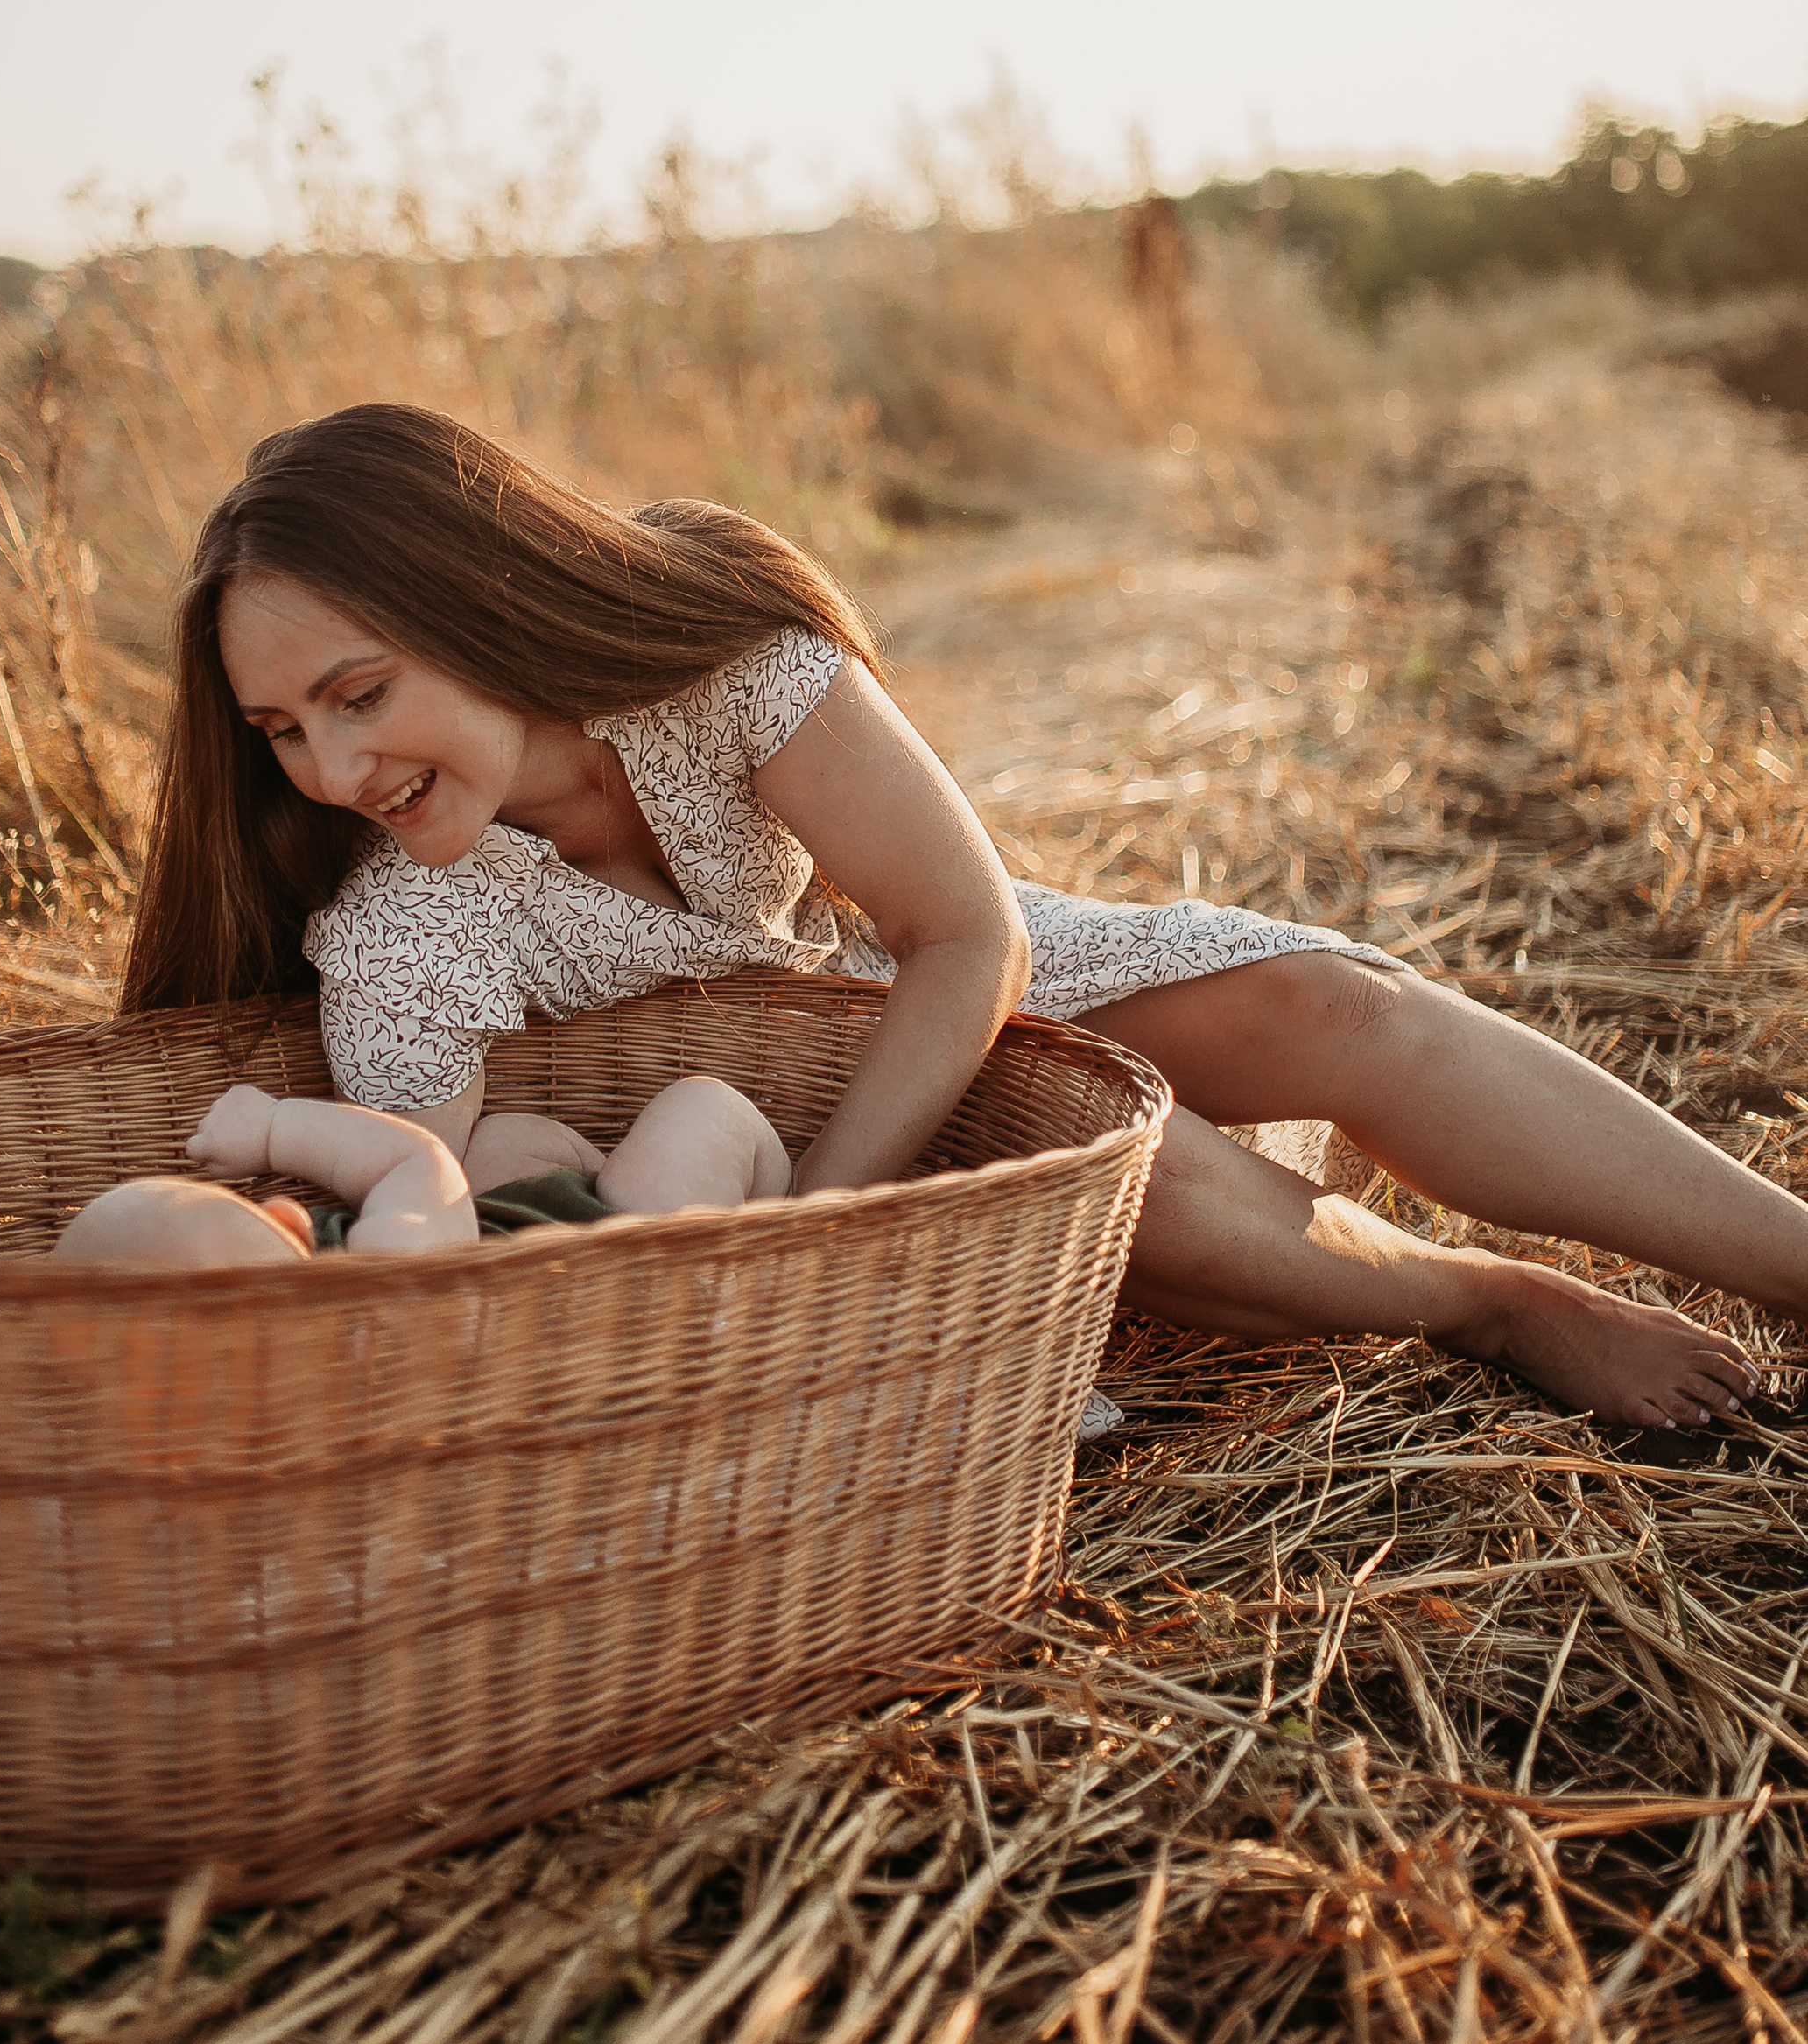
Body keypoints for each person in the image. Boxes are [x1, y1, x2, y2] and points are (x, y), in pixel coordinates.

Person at [120, 403, 1804, 1432]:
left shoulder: (708, 644)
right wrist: (805, 1248)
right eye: (281, 732)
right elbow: (433, 1224)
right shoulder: (398, 920)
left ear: (472, 599)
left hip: (903, 997)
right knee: (1130, 1161)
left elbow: (967, 936)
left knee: (1332, 1006)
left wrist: (835, 1202)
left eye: (356, 694)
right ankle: (1492, 1299)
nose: (333, 768)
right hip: (739, 1164)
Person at [53, 1071, 789, 1264]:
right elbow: (413, 1155)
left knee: (498, 1149)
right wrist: (274, 1129)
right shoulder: (378, 1276)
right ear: (285, 1225)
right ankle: (803, 1238)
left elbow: (422, 1166)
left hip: (503, 1240)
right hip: (621, 1255)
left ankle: (594, 1174)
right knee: (702, 1114)